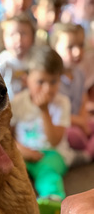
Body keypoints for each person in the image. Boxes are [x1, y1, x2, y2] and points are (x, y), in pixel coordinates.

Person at [10, 45, 71, 212]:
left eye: (53, 81)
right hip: (23, 152)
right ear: (26, 79)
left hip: (52, 154)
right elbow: (6, 133)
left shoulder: (62, 103)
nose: (47, 89)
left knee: (48, 173)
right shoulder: (18, 102)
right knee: (11, 171)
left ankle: (53, 200)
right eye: (40, 81)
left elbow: (55, 140)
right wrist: (21, 149)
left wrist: (44, 111)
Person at [50, 22, 94, 162]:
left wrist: (84, 120)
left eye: (81, 45)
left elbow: (83, 99)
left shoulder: (79, 73)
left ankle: (86, 154)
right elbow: (56, 114)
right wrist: (81, 123)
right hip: (64, 125)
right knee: (73, 135)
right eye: (70, 47)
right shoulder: (52, 79)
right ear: (54, 49)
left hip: (79, 120)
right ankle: (87, 151)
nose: (77, 52)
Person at [0, 13, 35, 100]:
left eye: (24, 34)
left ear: (32, 37)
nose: (18, 39)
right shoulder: (2, 61)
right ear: (3, 38)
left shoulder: (36, 59)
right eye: (12, 34)